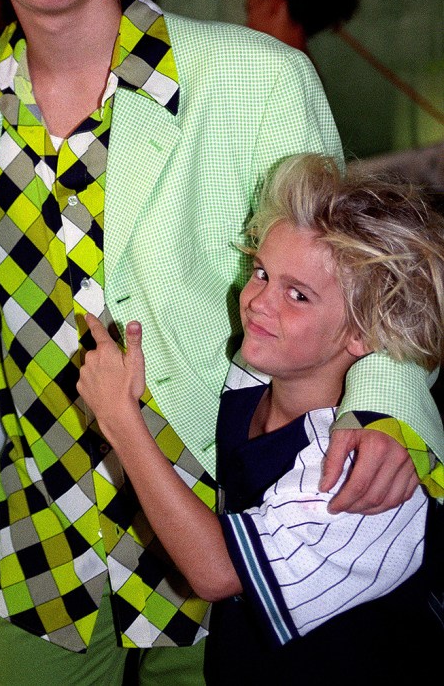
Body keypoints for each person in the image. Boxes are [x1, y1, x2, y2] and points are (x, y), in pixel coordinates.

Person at [0, 0, 443, 685]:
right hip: (37, 545)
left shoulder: (254, 78)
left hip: (211, 529)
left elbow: (365, 276)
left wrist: (392, 409)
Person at [78, 152, 444, 683]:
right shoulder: (254, 374)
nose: (258, 303)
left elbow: (216, 572)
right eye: (261, 273)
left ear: (364, 332)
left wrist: (120, 419)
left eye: (298, 295)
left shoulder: (357, 477)